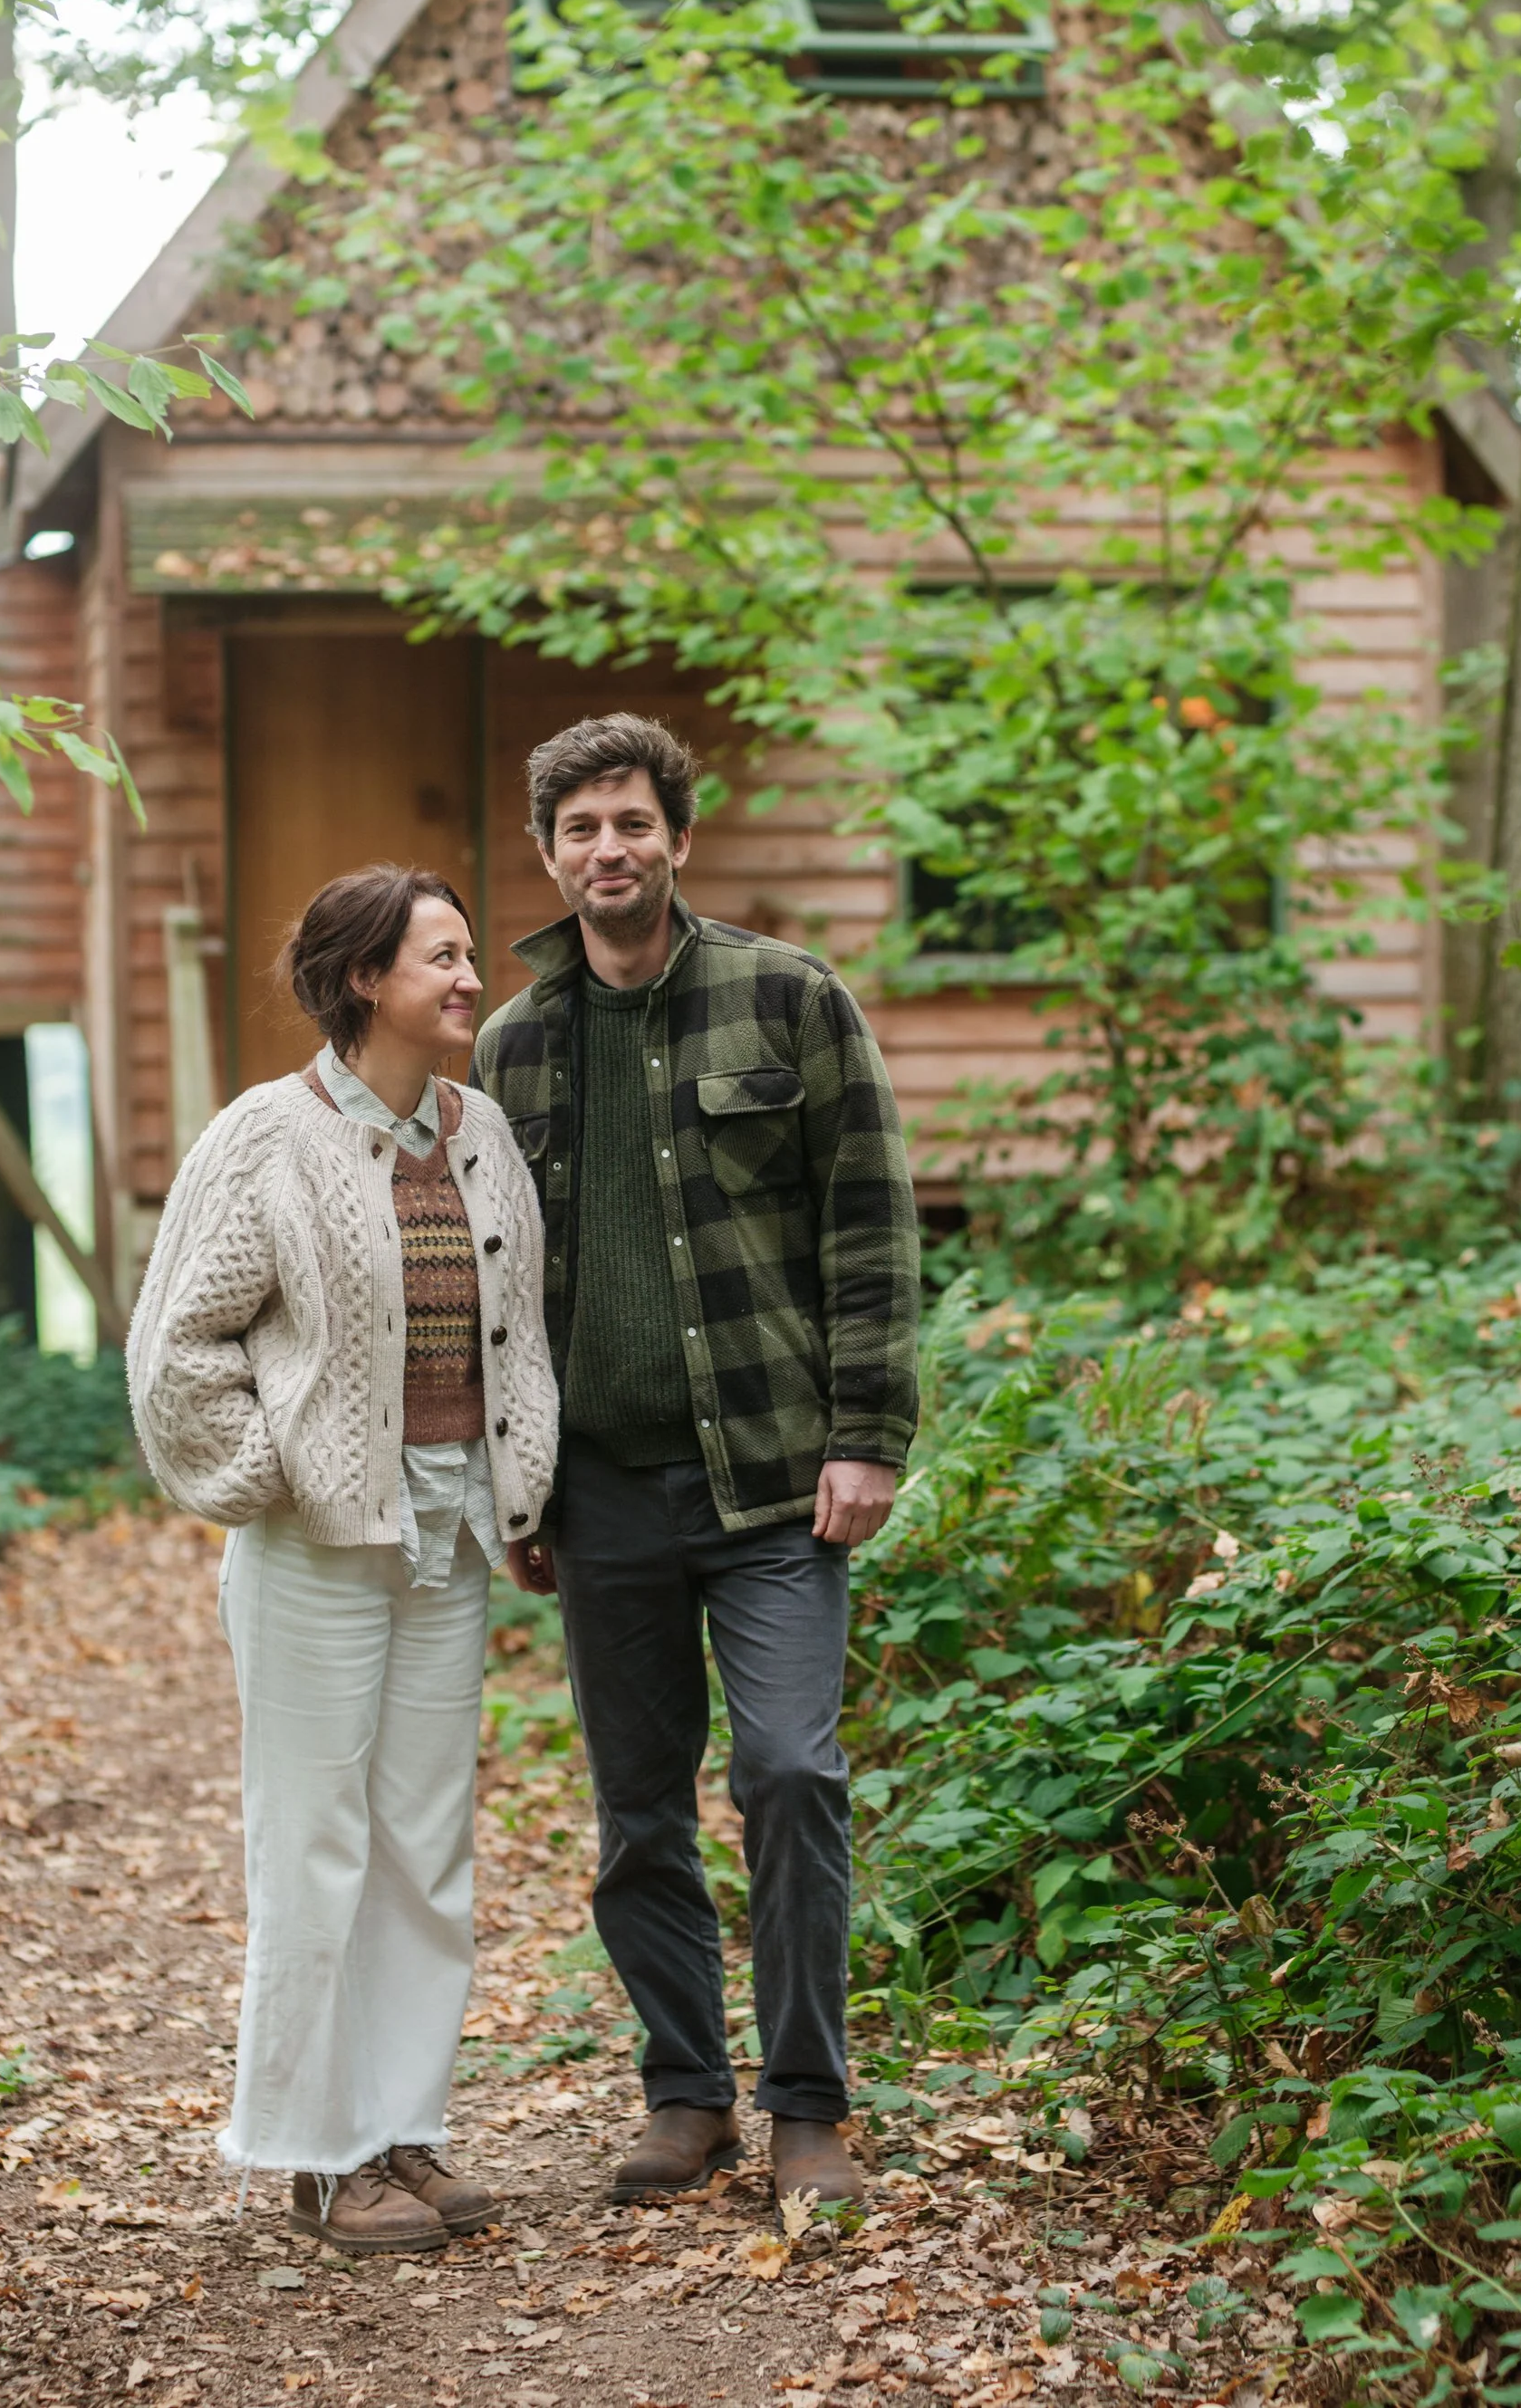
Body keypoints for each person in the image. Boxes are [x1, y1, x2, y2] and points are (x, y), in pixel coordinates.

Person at [473, 713, 920, 2213]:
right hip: (601, 1493)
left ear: (679, 837)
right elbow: (495, 1289)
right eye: (582, 829)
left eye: (633, 823)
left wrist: (869, 1436)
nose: (611, 850)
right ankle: (687, 2096)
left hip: (776, 1482)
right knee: (637, 1811)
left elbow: (869, 1234)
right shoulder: (512, 1044)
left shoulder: (790, 1001)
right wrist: (517, 1485)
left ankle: (808, 2107)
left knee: (792, 1773)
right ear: (549, 855)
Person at [127, 865, 559, 2257]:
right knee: (314, 1845)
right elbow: (175, 1350)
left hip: (448, 1528)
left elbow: (520, 1338)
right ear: (366, 978)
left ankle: (400, 2130)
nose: (469, 977)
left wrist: (524, 1487)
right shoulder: (266, 1137)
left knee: (425, 1851)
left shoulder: (480, 1129)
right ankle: (314, 2157)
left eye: (469, 955)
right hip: (317, 1544)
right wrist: (273, 1478)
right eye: (440, 957)